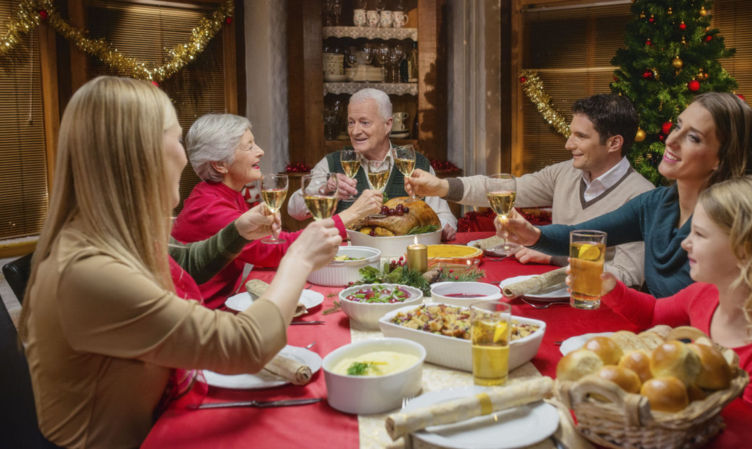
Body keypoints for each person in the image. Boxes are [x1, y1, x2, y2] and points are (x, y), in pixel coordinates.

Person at [18, 76, 343, 449]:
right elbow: (246, 345)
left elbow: (184, 261)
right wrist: (299, 259)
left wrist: (237, 230)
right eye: (175, 139)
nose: (185, 157)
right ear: (140, 156)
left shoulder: (105, 234)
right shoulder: (87, 271)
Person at [571, 175, 752, 437]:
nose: (684, 243)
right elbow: (655, 313)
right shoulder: (705, 294)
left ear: (744, 250)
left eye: (699, 234)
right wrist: (611, 289)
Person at [497, 92, 752, 297]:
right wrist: (535, 236)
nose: (670, 140)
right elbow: (585, 235)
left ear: (721, 158)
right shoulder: (656, 204)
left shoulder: (732, 222)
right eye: (677, 126)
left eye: (693, 137)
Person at [405, 94, 653, 287]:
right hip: (556, 290)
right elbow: (504, 188)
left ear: (614, 143)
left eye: (580, 137)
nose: (569, 144)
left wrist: (555, 256)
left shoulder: (641, 196)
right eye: (570, 134)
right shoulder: (565, 173)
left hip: (598, 307)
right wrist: (441, 187)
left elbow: (627, 277)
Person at [172, 113, 383, 309]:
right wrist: (353, 214)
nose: (260, 151)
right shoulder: (209, 208)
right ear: (220, 165)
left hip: (225, 304)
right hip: (208, 317)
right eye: (249, 146)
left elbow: (272, 245)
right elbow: (279, 251)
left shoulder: (225, 194)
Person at [287, 88, 458, 240]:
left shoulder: (416, 164)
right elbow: (294, 209)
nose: (355, 131)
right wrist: (325, 189)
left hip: (403, 260)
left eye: (364, 122)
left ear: (388, 125)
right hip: (350, 259)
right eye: (351, 122)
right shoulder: (332, 163)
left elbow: (446, 217)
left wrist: (441, 227)